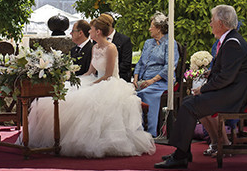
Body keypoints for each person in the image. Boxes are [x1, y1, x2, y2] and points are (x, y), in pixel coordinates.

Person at [27, 14, 155, 158]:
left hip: (110, 84)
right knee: (67, 95)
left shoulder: (111, 48)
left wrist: (92, 85)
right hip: (96, 80)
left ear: (98, 32)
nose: (89, 32)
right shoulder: (95, 48)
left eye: (92, 29)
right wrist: (76, 80)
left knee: (85, 101)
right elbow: (90, 71)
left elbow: (108, 75)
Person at [155, 5, 247, 169]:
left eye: (212, 21)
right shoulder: (231, 40)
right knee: (188, 101)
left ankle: (181, 155)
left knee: (189, 105)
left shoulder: (233, 43)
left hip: (235, 96)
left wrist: (204, 89)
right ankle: (182, 152)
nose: (210, 24)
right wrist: (210, 75)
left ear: (221, 23)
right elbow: (227, 72)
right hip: (232, 92)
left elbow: (226, 77)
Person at [133, 12, 178, 137]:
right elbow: (140, 62)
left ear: (159, 29)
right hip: (144, 79)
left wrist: (152, 80)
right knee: (129, 94)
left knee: (144, 93)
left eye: (151, 26)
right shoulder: (148, 43)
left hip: (161, 81)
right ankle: (134, 130)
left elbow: (169, 66)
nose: (149, 29)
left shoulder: (170, 43)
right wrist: (136, 78)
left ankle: (149, 132)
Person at [102, 12, 133, 82]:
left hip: (119, 77)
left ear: (108, 25)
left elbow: (126, 64)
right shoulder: (97, 41)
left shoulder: (124, 40)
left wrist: (108, 71)